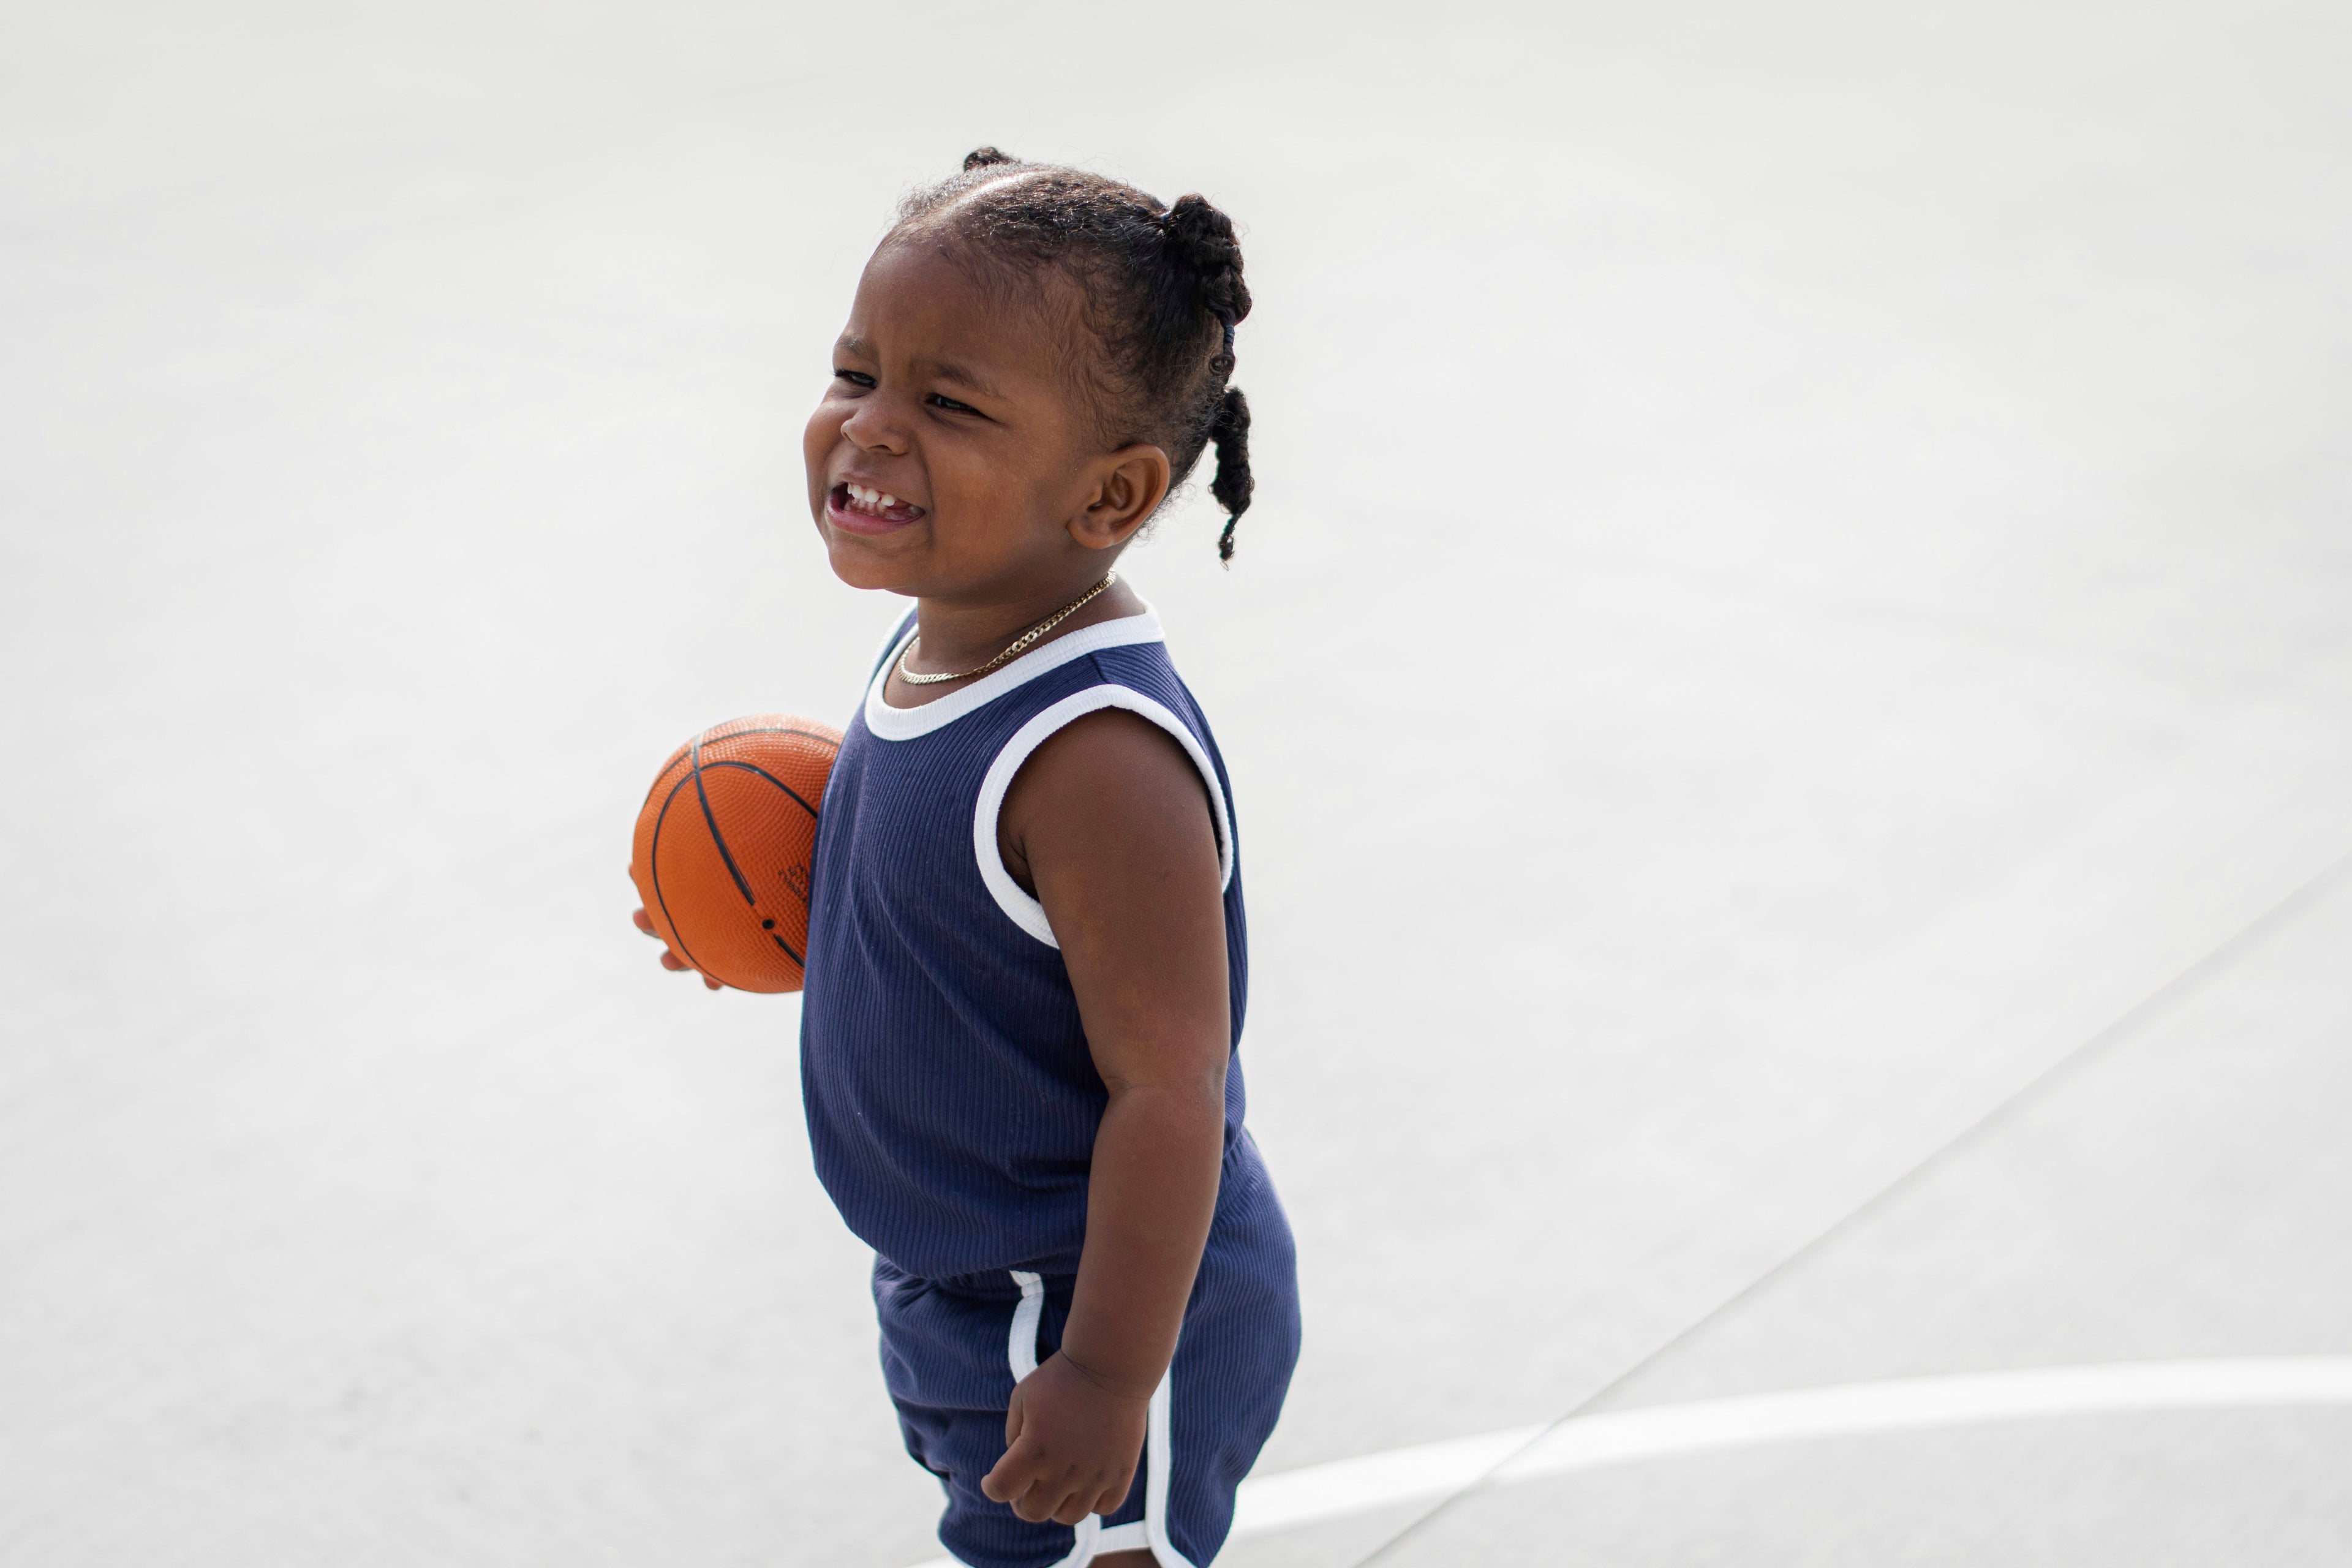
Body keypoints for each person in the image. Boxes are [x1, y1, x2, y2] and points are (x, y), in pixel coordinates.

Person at [634, 148, 1299, 1568]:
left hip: (1101, 1297)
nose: (869, 427)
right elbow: (977, 920)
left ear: (1110, 496)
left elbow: (1172, 1093)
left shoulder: (1099, 760)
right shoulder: (956, 627)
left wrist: (1113, 1375)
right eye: (856, 369)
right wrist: (797, 915)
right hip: (967, 1275)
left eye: (947, 403)